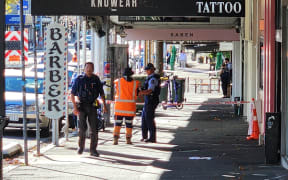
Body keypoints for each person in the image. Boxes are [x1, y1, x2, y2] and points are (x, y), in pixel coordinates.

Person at [71, 62, 107, 157]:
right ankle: (81, 147)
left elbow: (102, 93)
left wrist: (105, 106)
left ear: (93, 69)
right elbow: (72, 94)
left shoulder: (96, 79)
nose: (89, 69)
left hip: (92, 106)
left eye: (91, 68)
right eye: (87, 67)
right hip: (82, 106)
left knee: (94, 129)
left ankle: (93, 150)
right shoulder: (79, 79)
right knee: (82, 129)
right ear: (84, 69)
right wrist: (74, 107)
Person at [113, 67, 140, 145]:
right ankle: (128, 139)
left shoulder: (118, 82)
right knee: (129, 124)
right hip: (130, 108)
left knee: (117, 124)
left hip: (119, 107)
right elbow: (137, 93)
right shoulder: (135, 83)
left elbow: (116, 90)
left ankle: (115, 139)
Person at [139, 63, 160, 143]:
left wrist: (142, 92)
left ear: (151, 70)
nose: (146, 71)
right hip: (148, 101)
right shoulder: (149, 78)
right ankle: (144, 136)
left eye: (147, 70)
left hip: (151, 101)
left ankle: (152, 138)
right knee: (144, 118)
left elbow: (150, 90)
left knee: (149, 119)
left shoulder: (153, 79)